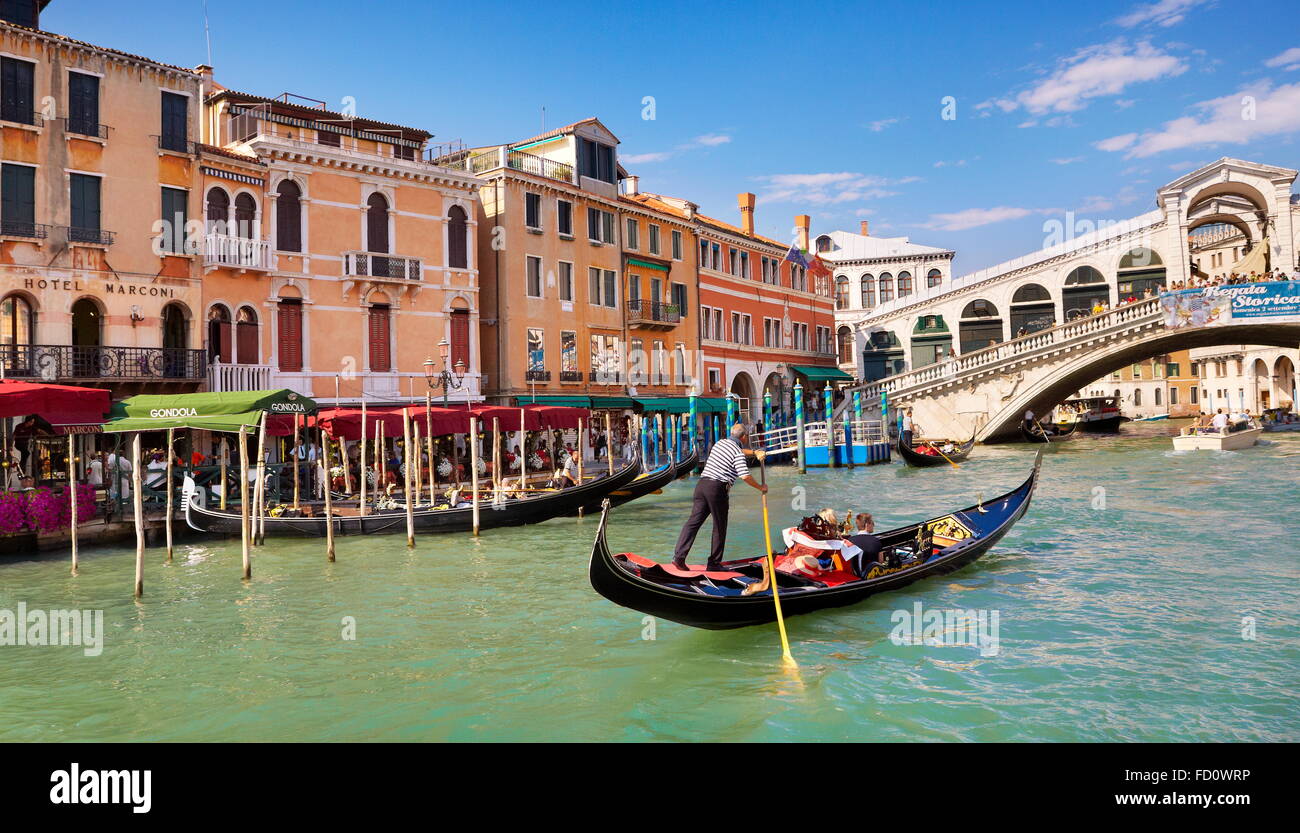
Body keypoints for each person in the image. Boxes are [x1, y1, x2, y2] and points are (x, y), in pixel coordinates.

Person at [672, 423, 766, 571]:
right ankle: (714, 564)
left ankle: (678, 558)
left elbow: (741, 451)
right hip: (717, 489)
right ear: (744, 436)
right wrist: (761, 487)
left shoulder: (720, 443)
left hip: (701, 486)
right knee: (719, 526)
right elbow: (745, 475)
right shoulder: (737, 452)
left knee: (693, 523)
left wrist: (754, 452)